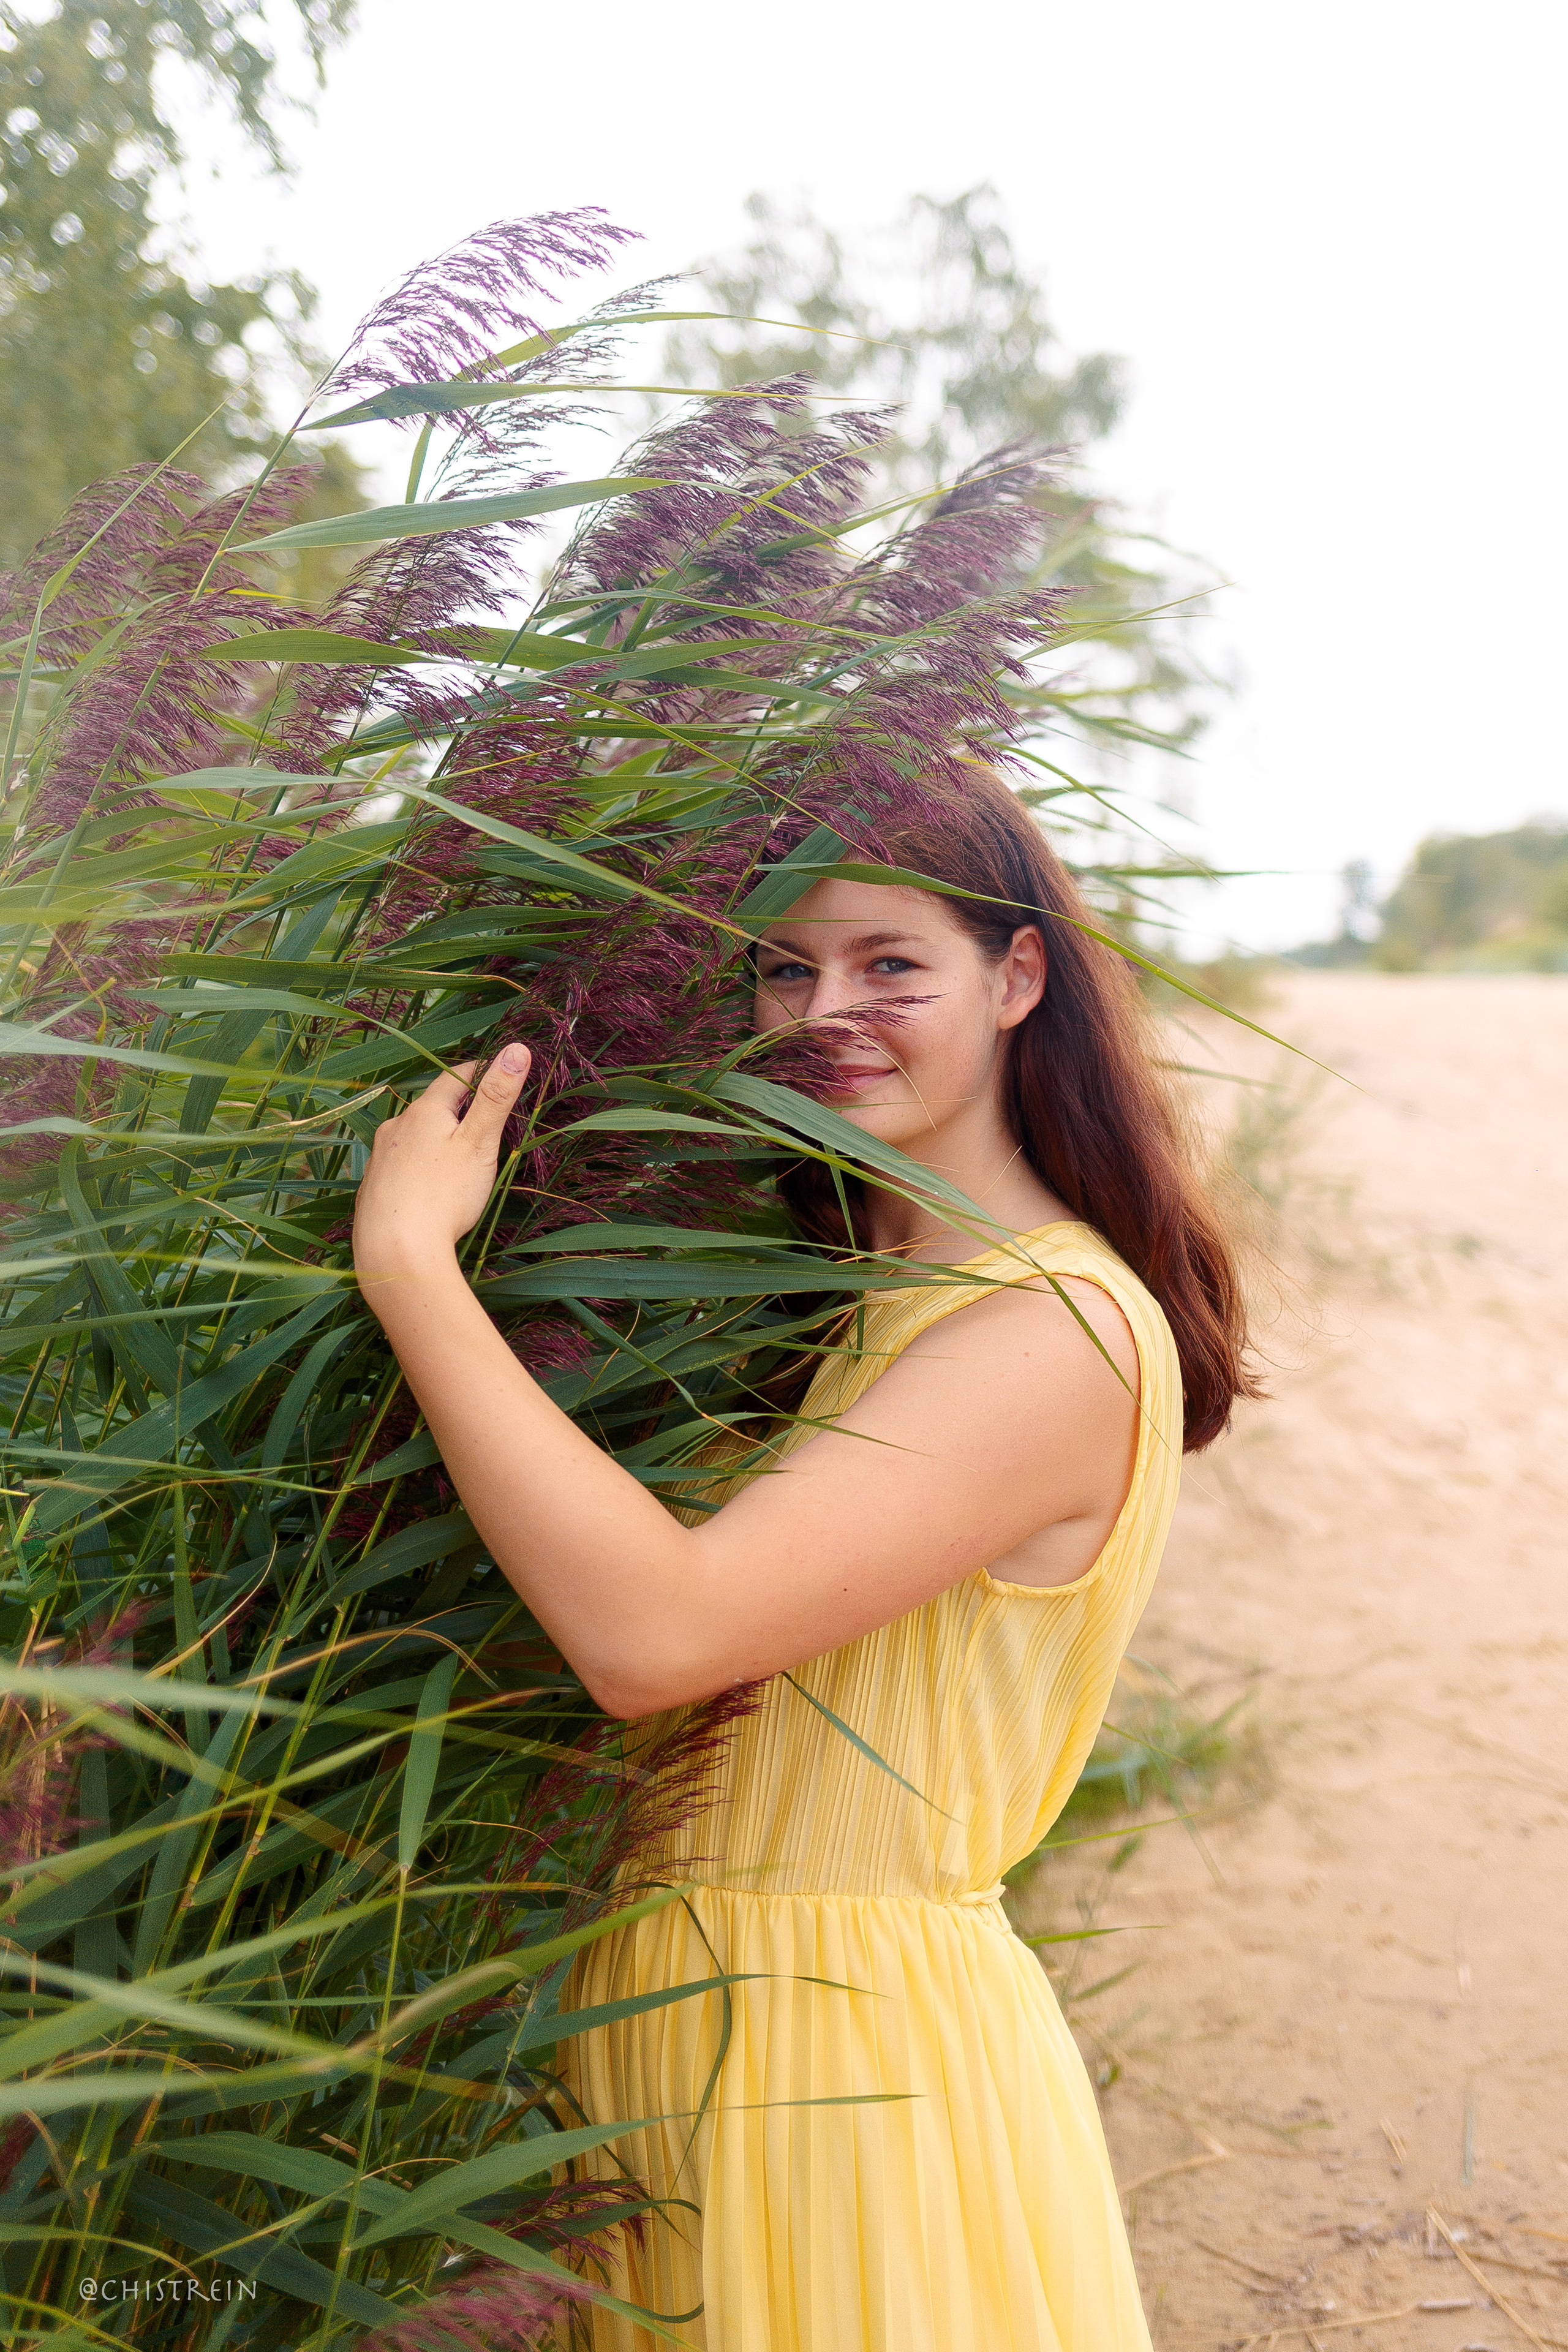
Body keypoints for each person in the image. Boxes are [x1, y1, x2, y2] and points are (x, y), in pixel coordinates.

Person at [352, 769, 1256, 2351]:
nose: (828, 1013)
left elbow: (657, 1634)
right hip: (674, 2049)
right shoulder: (838, 1300)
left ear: (1017, 978)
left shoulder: (1054, 1330)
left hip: (839, 2077)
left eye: (890, 963)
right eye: (785, 967)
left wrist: (410, 1259)